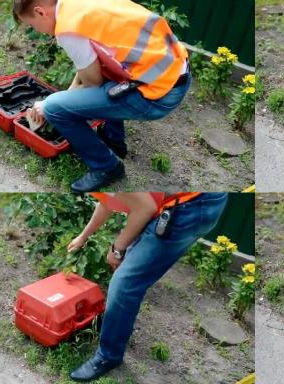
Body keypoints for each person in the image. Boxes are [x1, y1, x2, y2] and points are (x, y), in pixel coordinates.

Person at [13, 0, 191, 192]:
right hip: (173, 73)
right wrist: (67, 95)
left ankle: (106, 166)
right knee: (95, 79)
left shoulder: (68, 29)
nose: (36, 31)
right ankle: (114, 142)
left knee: (54, 109)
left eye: (32, 25)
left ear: (40, 12)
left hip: (157, 95)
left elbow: (93, 83)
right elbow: (91, 66)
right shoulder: (77, 6)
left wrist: (48, 104)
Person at [66, 192, 228, 382]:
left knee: (125, 283)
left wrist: (117, 249)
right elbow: (106, 201)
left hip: (188, 209)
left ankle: (108, 356)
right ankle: (117, 323)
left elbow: (144, 208)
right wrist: (83, 236)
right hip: (198, 201)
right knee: (133, 258)